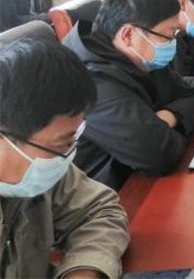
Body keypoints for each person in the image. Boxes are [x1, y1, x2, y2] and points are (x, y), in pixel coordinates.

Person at [0, 38, 129, 278]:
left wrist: (84, 268)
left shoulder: (42, 165)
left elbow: (100, 209)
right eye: (61, 144)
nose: (67, 154)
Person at [63, 0, 194, 190]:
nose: (173, 44)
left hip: (138, 179)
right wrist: (168, 125)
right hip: (113, 195)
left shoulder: (141, 58)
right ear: (129, 34)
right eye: (168, 36)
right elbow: (160, 154)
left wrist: (170, 116)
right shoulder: (88, 82)